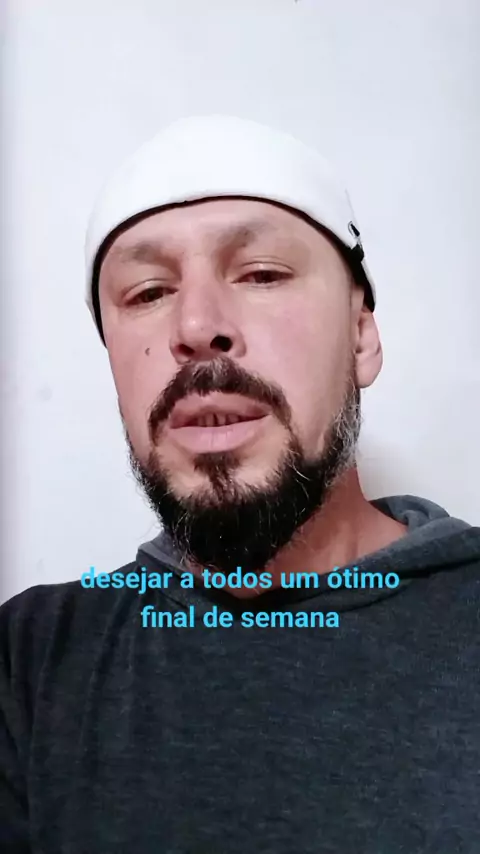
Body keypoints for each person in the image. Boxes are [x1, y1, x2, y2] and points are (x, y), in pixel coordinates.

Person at [1, 115, 479, 853]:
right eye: (147, 292)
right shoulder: (30, 662)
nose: (196, 325)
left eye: (261, 274)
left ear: (361, 335)